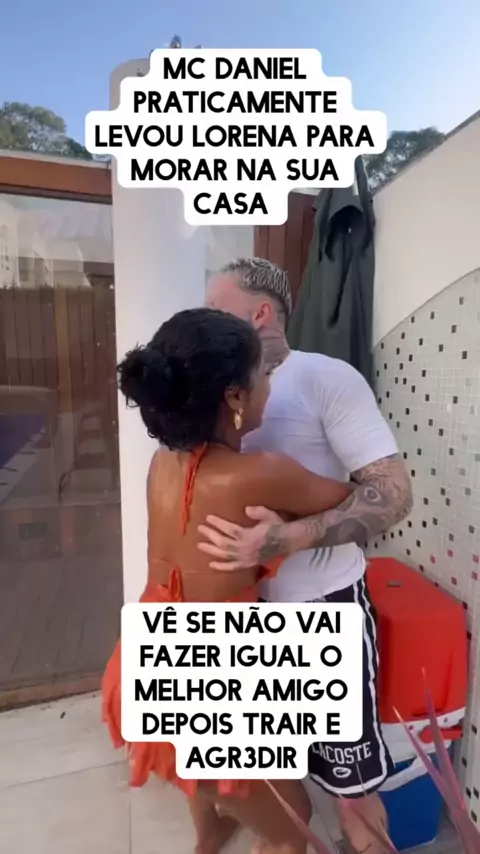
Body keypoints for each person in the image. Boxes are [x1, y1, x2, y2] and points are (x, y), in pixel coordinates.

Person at [102, 307, 355, 854]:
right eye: (264, 373)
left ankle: (210, 833)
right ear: (235, 397)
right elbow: (354, 500)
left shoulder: (162, 463)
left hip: (147, 652)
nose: (271, 386)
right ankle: (223, 830)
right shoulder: (260, 472)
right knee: (295, 823)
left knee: (198, 772)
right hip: (209, 675)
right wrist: (291, 524)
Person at [201, 258, 413, 854]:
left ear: (260, 312)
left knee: (354, 798)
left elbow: (394, 493)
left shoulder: (326, 378)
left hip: (324, 610)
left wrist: (289, 538)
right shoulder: (217, 391)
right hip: (242, 616)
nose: (204, 317)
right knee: (273, 793)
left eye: (216, 307)